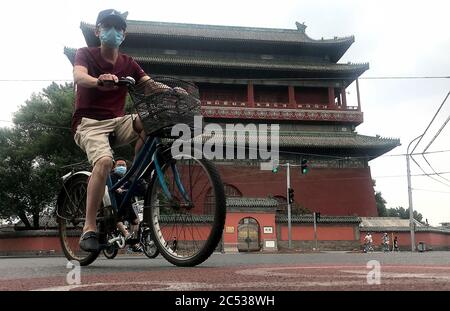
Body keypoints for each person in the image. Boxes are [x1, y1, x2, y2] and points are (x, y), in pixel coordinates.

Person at [73, 9, 171, 252]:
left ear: (124, 34)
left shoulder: (128, 63)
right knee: (105, 161)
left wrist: (170, 90)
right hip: (89, 123)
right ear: (97, 30)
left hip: (117, 121)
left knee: (151, 122)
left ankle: (137, 176)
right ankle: (89, 227)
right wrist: (98, 81)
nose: (113, 31)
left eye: (118, 28)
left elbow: (149, 84)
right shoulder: (85, 54)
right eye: (107, 26)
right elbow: (79, 76)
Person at [110, 158, 146, 252]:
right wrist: (118, 190)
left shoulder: (128, 177)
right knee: (118, 218)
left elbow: (133, 187)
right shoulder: (111, 177)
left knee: (136, 220)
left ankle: (134, 241)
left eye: (123, 165)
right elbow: (110, 188)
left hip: (127, 202)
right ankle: (126, 234)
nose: (121, 167)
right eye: (119, 165)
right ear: (114, 168)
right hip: (116, 203)